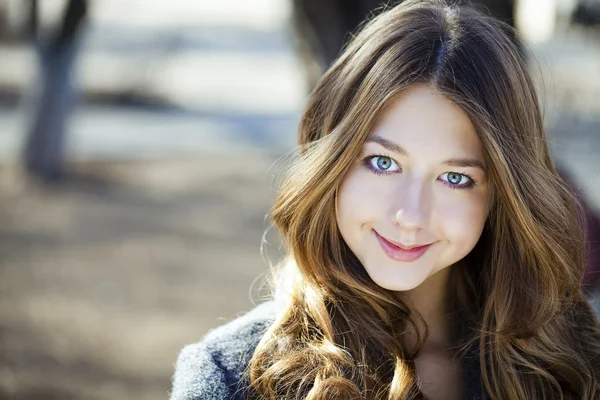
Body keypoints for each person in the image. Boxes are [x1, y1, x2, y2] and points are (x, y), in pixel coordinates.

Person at [170, 1, 600, 399]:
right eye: (382, 163)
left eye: (455, 177)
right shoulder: (232, 379)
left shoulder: (565, 359)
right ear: (331, 163)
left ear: (502, 194)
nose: (410, 215)